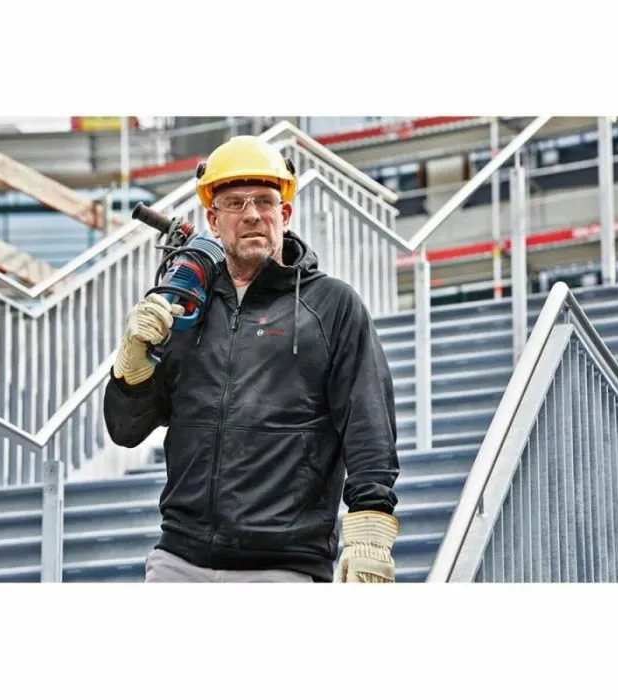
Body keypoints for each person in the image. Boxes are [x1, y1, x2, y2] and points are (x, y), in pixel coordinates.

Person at [103, 135, 400, 583]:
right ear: (213, 219)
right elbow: (126, 430)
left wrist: (370, 530)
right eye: (235, 203)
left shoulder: (332, 306)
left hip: (283, 567)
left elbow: (368, 425)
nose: (252, 214)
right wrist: (131, 367)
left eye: (264, 200)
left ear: (285, 214)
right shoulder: (185, 307)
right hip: (178, 560)